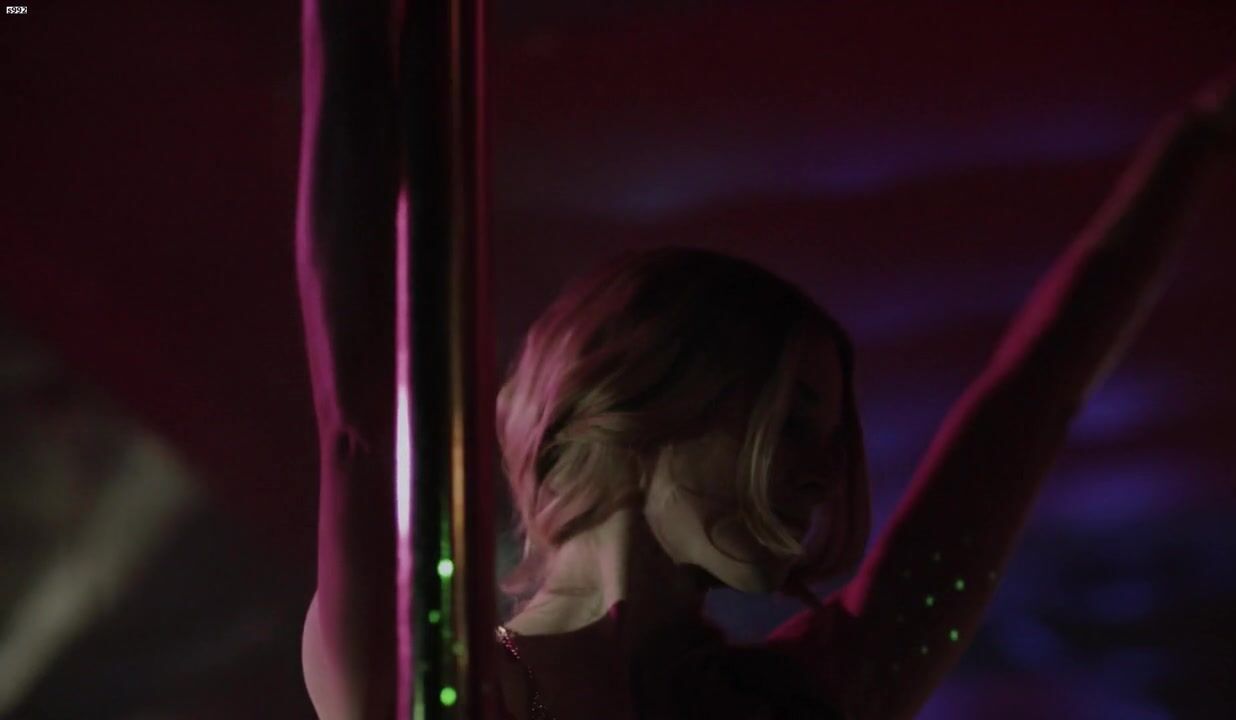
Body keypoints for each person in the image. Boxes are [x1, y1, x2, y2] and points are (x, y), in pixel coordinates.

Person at [292, 0, 1236, 717]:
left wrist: (1195, 141)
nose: (822, 475)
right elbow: (362, 406)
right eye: (788, 422)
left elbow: (1032, 405)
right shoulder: (431, 670)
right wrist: (342, 27)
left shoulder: (813, 694)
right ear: (645, 395)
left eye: (825, 436)